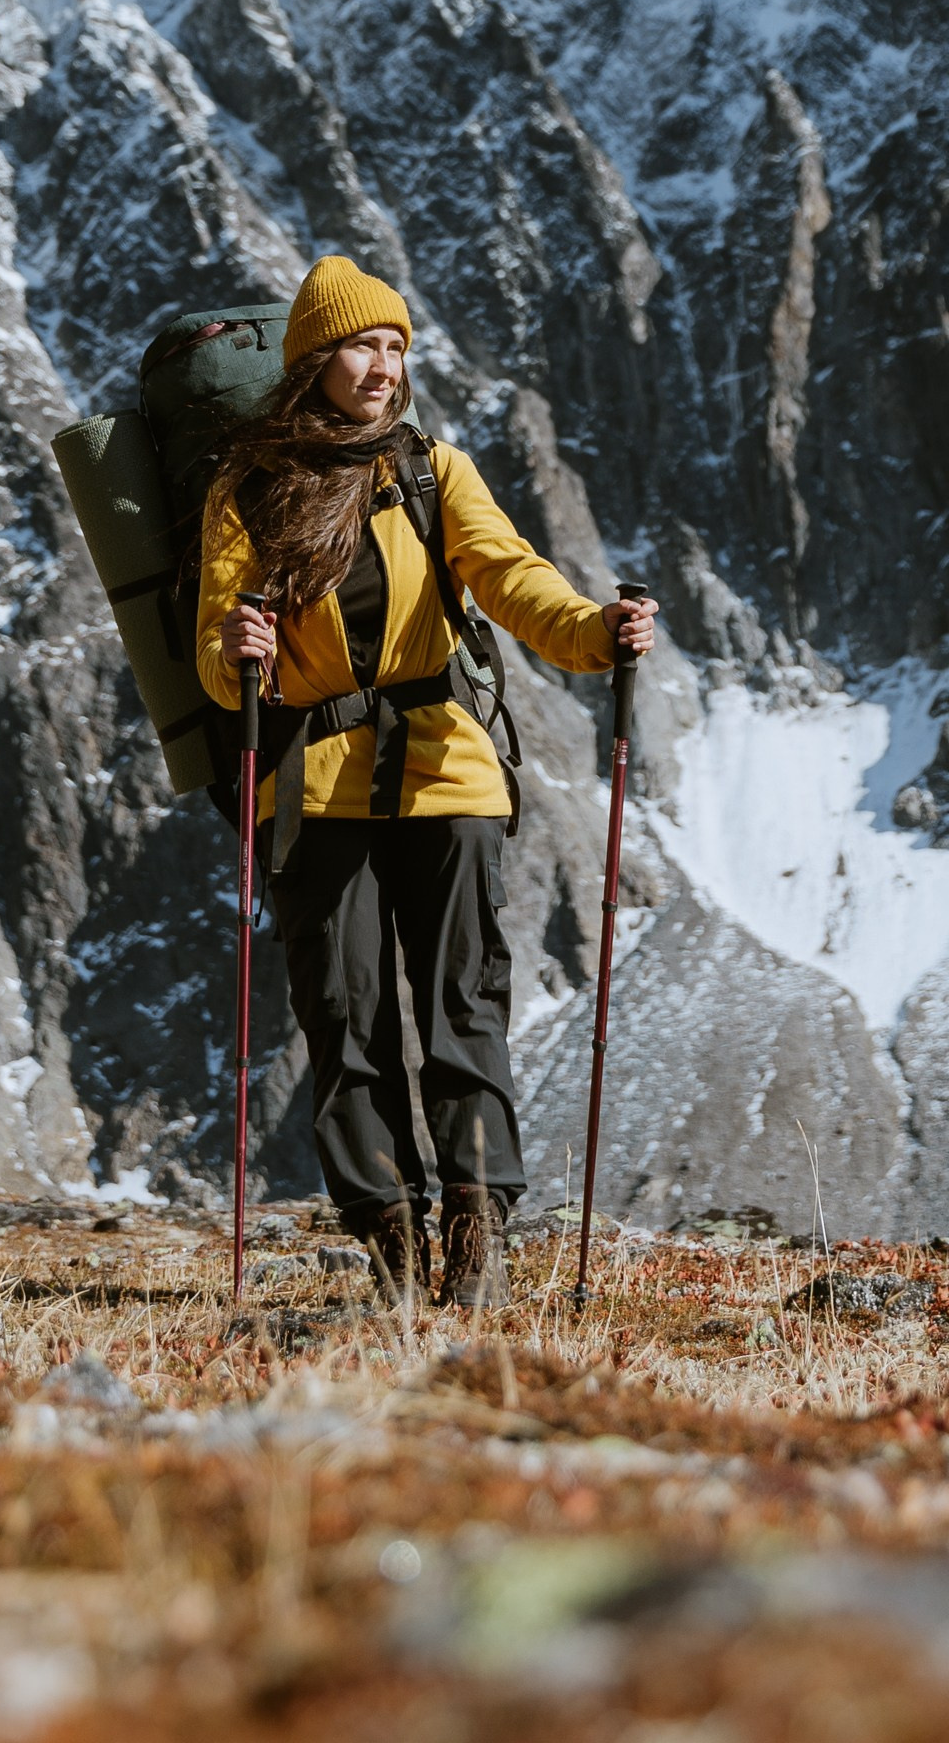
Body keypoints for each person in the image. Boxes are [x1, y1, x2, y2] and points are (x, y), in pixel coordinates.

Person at [196, 254, 656, 1307]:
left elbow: (512, 577)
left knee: (462, 1005)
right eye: (363, 345)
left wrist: (595, 633)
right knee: (343, 1016)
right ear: (312, 360)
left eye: (396, 347)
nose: (382, 365)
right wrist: (237, 646)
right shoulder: (248, 490)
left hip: (447, 773)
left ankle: (476, 1228)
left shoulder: (433, 473)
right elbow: (215, 656)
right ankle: (391, 1239)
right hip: (315, 787)